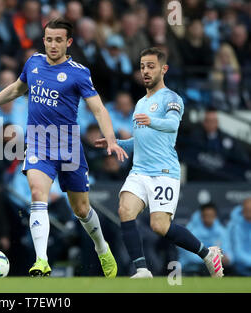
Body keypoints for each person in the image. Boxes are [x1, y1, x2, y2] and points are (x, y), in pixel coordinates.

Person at [0, 18, 127, 278]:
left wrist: (111, 138)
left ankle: (102, 247)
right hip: (38, 141)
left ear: (68, 42)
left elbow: (98, 108)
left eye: (58, 40)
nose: (52, 44)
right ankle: (42, 261)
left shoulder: (78, 72)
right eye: (48, 39)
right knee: (37, 194)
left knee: (82, 210)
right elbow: (16, 89)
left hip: (69, 144)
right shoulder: (33, 63)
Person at [95, 47, 225, 278]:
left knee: (159, 226)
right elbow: (140, 140)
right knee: (125, 209)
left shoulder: (172, 98)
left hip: (164, 172)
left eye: (151, 66)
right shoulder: (140, 103)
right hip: (140, 171)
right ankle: (142, 270)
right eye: (143, 66)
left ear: (163, 69)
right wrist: (115, 143)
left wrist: (152, 120)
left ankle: (207, 254)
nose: (145, 71)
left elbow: (172, 125)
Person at [178, 203, 227, 276]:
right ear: (201, 216)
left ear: (215, 216)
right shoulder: (191, 231)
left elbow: (228, 254)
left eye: (211, 215)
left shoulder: (221, 231)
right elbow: (191, 257)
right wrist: (213, 260)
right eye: (206, 215)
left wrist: (226, 258)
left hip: (214, 268)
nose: (209, 218)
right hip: (191, 269)